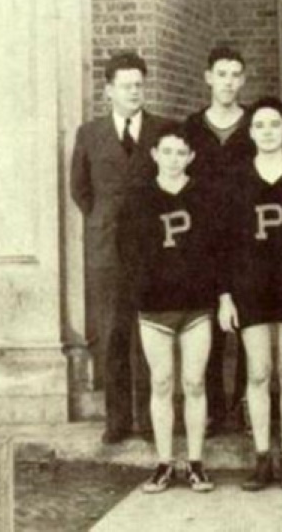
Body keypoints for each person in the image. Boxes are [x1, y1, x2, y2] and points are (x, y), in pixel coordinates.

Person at [217, 97, 282, 491]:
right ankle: (262, 457)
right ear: (250, 132)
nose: (267, 131)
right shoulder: (235, 178)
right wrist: (225, 295)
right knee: (259, 372)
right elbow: (223, 242)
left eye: (274, 124)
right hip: (251, 288)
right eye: (259, 125)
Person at [70, 51, 171, 444]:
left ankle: (149, 419)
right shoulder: (89, 134)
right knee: (112, 334)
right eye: (126, 85)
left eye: (139, 85)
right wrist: (103, 220)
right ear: (109, 89)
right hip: (107, 250)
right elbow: (80, 190)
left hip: (151, 250)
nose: (134, 91)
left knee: (149, 334)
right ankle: (117, 420)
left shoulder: (163, 130)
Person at [118, 125, 219, 493]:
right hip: (155, 306)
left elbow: (216, 251)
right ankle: (163, 463)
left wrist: (213, 293)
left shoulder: (205, 196)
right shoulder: (138, 198)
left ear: (191, 157)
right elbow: (127, 254)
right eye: (168, 151)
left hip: (195, 305)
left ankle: (195, 463)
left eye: (182, 152)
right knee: (161, 383)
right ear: (155, 154)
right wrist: (140, 294)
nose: (174, 159)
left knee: (193, 382)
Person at [183, 46, 254, 437]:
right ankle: (210, 405)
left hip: (246, 239)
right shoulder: (192, 127)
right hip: (203, 241)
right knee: (206, 322)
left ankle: (245, 401)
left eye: (235, 74)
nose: (228, 82)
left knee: (247, 324)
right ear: (208, 77)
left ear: (242, 80)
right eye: (221, 74)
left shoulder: (254, 126)